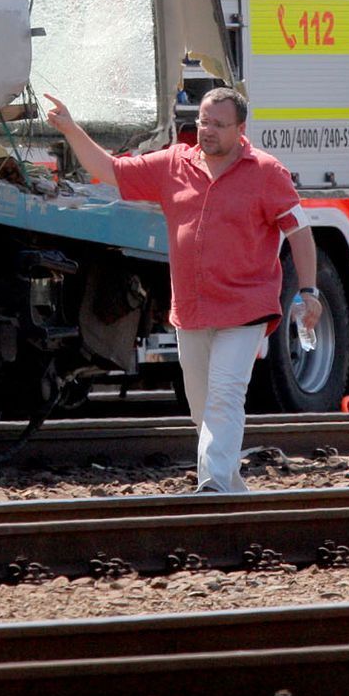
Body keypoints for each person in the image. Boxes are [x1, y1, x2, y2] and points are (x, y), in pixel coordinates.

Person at [46, 86, 318, 493]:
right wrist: (70, 129)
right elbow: (110, 170)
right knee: (202, 406)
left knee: (225, 396)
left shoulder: (266, 172)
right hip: (191, 310)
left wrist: (309, 291)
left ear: (241, 129)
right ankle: (233, 487)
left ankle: (213, 488)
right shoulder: (175, 163)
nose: (207, 131)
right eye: (203, 121)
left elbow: (299, 232)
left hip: (246, 308)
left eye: (219, 124)